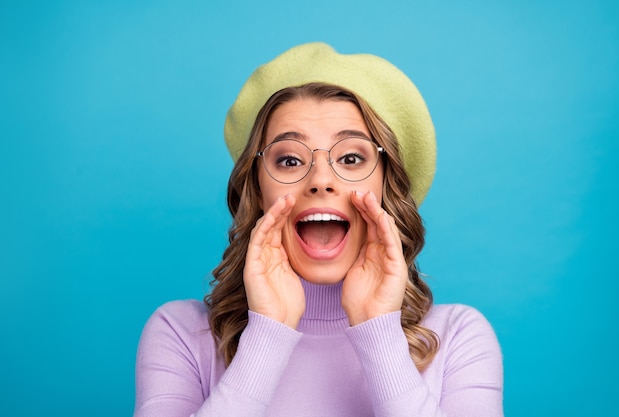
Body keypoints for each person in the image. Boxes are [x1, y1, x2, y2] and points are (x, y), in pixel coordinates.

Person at [133, 42, 503, 417]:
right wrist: (268, 333)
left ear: (386, 190)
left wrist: (378, 330)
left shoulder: (458, 337)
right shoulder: (180, 333)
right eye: (290, 160)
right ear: (258, 190)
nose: (321, 180)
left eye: (352, 158)